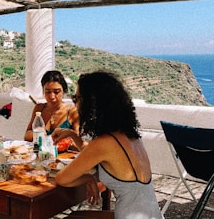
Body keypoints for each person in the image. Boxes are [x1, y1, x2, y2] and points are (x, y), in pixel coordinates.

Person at [52, 71, 163, 219]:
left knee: (71, 218)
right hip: (152, 216)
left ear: (91, 104)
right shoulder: (130, 136)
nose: (74, 103)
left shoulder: (104, 143)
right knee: (77, 216)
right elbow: (91, 153)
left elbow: (62, 179)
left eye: (76, 98)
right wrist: (72, 135)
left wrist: (88, 178)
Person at [24, 70, 79, 143]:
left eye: (56, 92)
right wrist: (39, 135)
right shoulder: (39, 108)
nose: (52, 96)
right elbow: (27, 135)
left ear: (64, 91)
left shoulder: (72, 111)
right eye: (48, 92)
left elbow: (78, 141)